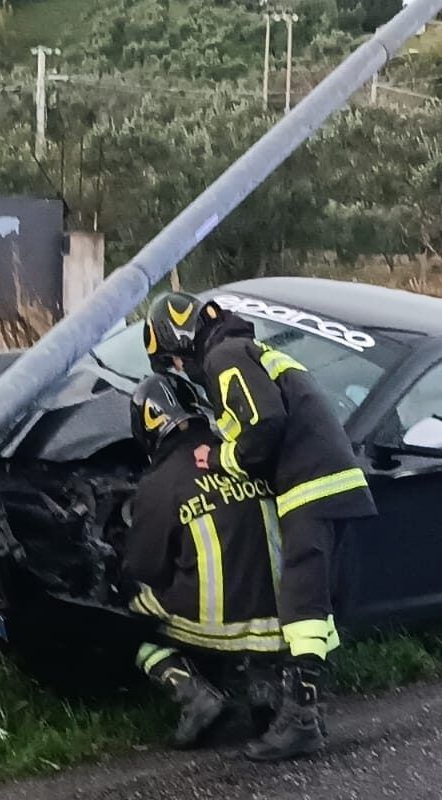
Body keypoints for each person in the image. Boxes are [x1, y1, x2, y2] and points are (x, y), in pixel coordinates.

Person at [143, 291, 377, 762]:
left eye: (171, 362)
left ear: (179, 345)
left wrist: (223, 456)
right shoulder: (248, 349)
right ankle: (305, 706)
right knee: (314, 609)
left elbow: (264, 423)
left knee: (301, 605)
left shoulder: (223, 357)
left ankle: (301, 721)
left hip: (310, 484)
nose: (178, 370)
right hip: (331, 479)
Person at [122, 372, 287, 749]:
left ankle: (195, 697)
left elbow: (144, 566)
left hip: (218, 624)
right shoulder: (237, 452)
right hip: (282, 615)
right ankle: (264, 685)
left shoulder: (160, 481)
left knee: (126, 617)